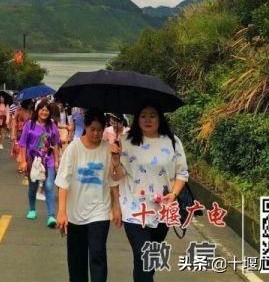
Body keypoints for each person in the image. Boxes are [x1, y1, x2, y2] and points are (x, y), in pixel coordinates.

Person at [110, 104, 189, 282]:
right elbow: (116, 177)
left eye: (152, 116)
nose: (147, 120)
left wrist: (174, 194)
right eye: (143, 115)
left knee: (148, 261)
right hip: (134, 210)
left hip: (163, 211)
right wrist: (115, 161)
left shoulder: (172, 141)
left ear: (160, 118)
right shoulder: (125, 141)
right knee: (143, 256)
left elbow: (182, 173)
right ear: (137, 119)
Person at [55, 109, 121, 282]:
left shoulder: (108, 149)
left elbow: (114, 181)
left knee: (98, 254)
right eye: (92, 129)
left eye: (100, 130)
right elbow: (63, 182)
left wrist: (116, 207)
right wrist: (62, 212)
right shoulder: (73, 149)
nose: (96, 133)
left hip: (99, 210)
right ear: (85, 126)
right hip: (75, 212)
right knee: (77, 259)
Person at [18, 99, 60, 228]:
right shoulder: (29, 125)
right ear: (37, 110)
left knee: (48, 186)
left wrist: (57, 161)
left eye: (47, 110)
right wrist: (23, 161)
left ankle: (51, 216)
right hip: (33, 161)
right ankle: (32, 209)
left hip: (49, 160)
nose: (44, 112)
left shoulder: (52, 126)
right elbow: (23, 144)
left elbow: (56, 144)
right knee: (33, 186)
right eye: (42, 109)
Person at [11, 100, 33, 172]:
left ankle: (25, 163)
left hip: (30, 132)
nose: (31, 105)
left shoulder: (31, 112)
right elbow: (14, 121)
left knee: (27, 149)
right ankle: (21, 165)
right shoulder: (19, 110)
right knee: (20, 148)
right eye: (30, 103)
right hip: (20, 131)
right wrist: (13, 133)